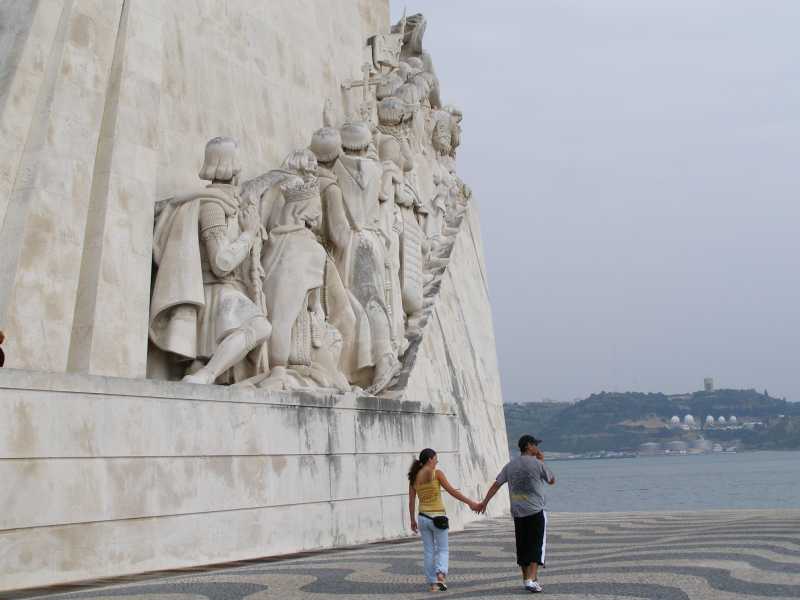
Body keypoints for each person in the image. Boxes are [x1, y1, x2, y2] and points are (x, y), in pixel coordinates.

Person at [479, 435, 556, 594]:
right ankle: (531, 580)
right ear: (528, 446)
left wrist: (484, 502)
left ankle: (527, 579)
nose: (537, 448)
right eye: (535, 444)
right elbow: (551, 480)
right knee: (536, 546)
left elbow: (496, 485)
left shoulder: (510, 466)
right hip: (535, 510)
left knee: (522, 546)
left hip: (518, 512)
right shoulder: (537, 463)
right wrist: (542, 461)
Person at [408, 448, 481, 592]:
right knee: (443, 549)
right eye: (436, 458)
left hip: (422, 518)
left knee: (429, 551)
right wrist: (470, 502)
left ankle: (432, 583)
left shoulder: (414, 478)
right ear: (430, 459)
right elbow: (452, 491)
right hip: (438, 517)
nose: (437, 461)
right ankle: (441, 575)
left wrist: (412, 520)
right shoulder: (437, 473)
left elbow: (411, 501)